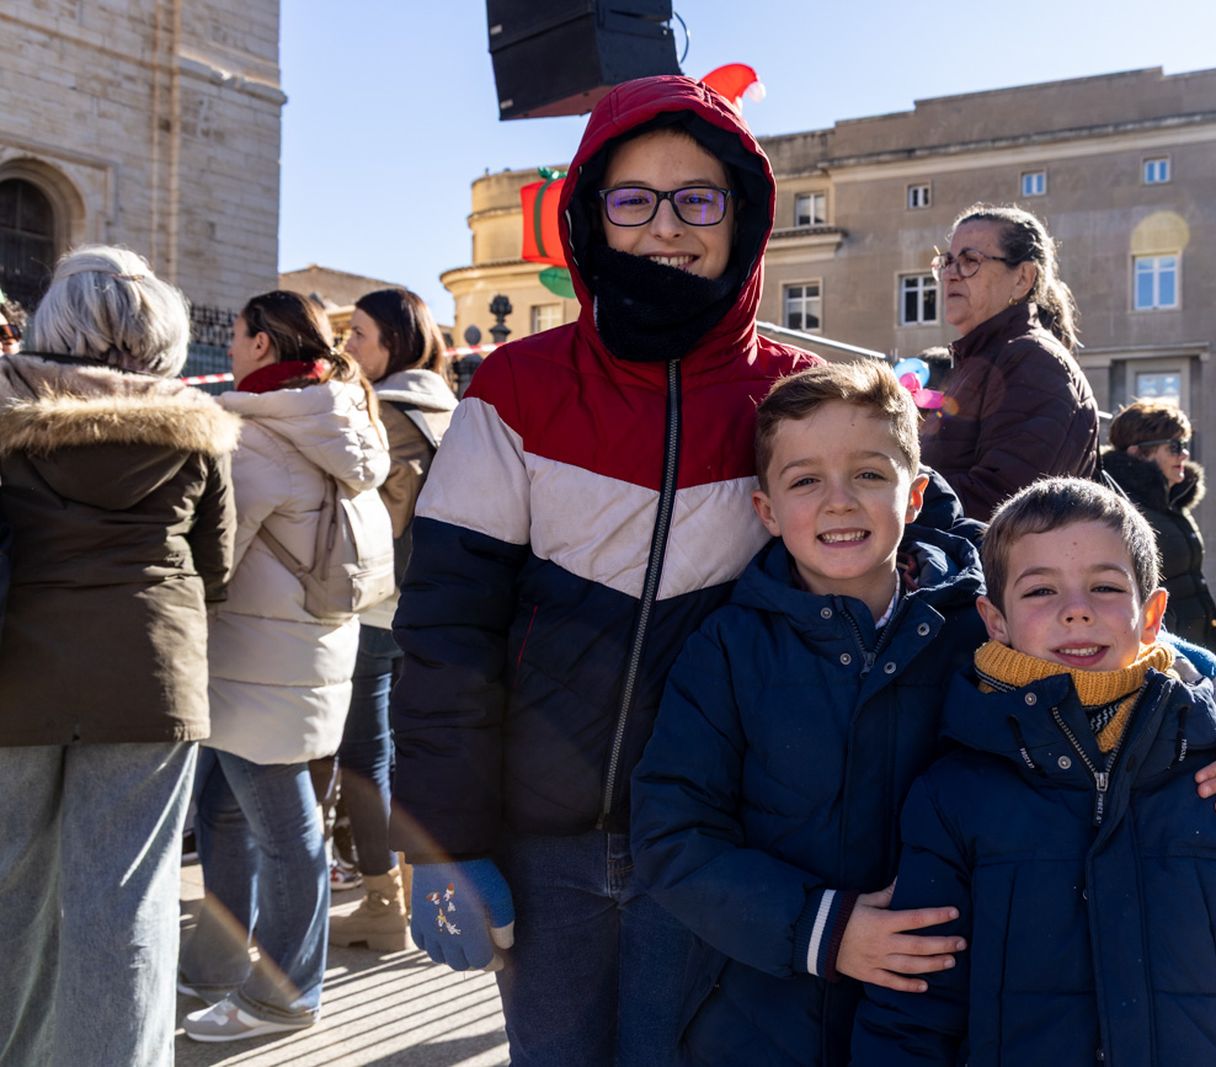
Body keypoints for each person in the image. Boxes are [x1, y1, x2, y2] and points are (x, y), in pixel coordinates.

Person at [631, 364, 1216, 1066]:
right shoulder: (731, 646)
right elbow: (672, 831)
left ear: (915, 493)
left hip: (955, 999)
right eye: (804, 481)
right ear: (766, 510)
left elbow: (1140, 648)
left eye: (867, 474)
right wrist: (822, 928)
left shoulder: (975, 613)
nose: (838, 503)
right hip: (775, 1006)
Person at [387, 76, 819, 1065]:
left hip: (722, 848)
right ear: (590, 216)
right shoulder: (515, 389)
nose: (666, 226)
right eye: (633, 199)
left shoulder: (799, 397)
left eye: (696, 197)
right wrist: (443, 840)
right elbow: (448, 635)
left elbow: (934, 565)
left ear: (741, 214)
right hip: (546, 855)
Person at [851, 478, 1216, 1066]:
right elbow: (914, 1012)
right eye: (1041, 589)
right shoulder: (956, 793)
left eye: (1104, 586)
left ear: (1152, 616)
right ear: (995, 621)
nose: (1076, 609)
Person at [0, 245, 238, 1067]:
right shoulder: (197, 433)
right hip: (151, 676)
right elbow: (219, 569)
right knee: (128, 899)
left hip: (14, 672)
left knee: (8, 889)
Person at [179, 290, 390, 1041]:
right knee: (233, 812)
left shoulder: (258, 437)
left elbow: (210, 559)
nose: (230, 349)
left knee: (281, 826)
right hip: (308, 651)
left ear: (263, 345)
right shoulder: (341, 421)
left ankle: (284, 993)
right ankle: (215, 965)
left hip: (255, 661)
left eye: (236, 337)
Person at [327, 288, 457, 952]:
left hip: (380, 606)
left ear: (394, 344)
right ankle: (415, 894)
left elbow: (378, 512)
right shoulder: (452, 405)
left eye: (358, 334)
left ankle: (383, 900)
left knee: (364, 752)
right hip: (441, 606)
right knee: (418, 753)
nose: (346, 347)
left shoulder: (390, 410)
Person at [918, 203, 1099, 521]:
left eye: (969, 261)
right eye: (947, 262)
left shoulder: (1035, 363)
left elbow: (1001, 501)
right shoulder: (983, 358)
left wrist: (892, 485)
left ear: (1023, 278)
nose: (950, 275)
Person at [1100, 399, 1216, 651]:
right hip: (1163, 651)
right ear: (1138, 452)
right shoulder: (1121, 508)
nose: (1184, 454)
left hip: (1194, 645)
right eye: (1174, 447)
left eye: (1185, 445)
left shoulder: (1173, 502)